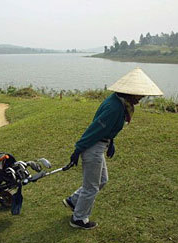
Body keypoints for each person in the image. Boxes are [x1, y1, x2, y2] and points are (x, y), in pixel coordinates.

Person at [63, 68, 163, 230]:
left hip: (100, 144)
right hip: (93, 147)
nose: (142, 97)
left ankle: (74, 201)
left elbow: (108, 128)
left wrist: (111, 142)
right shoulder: (114, 107)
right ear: (129, 92)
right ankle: (79, 219)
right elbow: (94, 129)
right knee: (91, 187)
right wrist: (77, 150)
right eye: (139, 94)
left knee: (102, 180)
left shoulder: (119, 102)